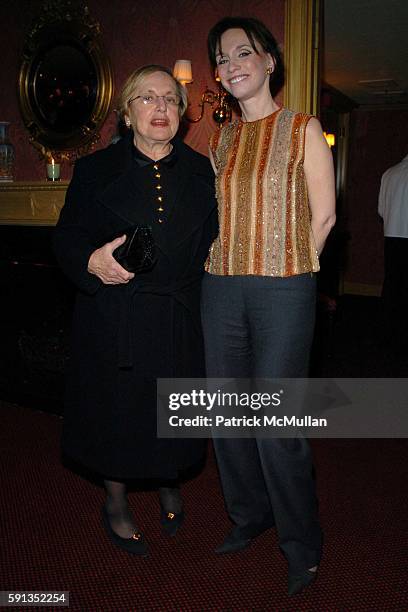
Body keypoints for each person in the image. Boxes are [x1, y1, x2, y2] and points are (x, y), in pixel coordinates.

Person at [53, 64, 218, 556]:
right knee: (117, 413)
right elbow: (65, 237)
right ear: (127, 114)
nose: (160, 108)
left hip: (176, 317)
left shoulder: (203, 171)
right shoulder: (94, 170)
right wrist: (90, 261)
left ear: (183, 113)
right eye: (147, 99)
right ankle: (117, 500)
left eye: (170, 99)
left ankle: (169, 480)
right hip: (114, 315)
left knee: (171, 409)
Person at [201, 17, 336, 595]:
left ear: (269, 62)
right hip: (221, 286)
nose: (233, 66)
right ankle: (249, 514)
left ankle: (301, 543)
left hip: (285, 286)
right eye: (223, 59)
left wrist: (287, 266)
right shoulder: (221, 138)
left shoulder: (304, 126)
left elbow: (324, 216)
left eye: (243, 53)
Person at [378, 154, 408, 369]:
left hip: (392, 236)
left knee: (391, 285)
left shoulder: (389, 173)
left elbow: (381, 210)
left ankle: (388, 335)